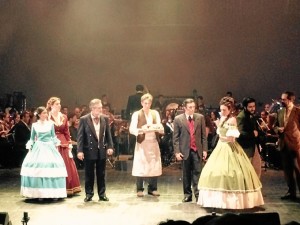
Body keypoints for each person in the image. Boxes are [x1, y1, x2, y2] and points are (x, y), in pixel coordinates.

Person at [197, 96, 264, 209]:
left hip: (229, 148)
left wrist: (221, 135)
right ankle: (218, 201)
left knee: (233, 173)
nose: (222, 111)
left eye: (224, 110)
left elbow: (232, 139)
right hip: (220, 148)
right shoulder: (223, 118)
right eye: (221, 109)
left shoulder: (232, 119)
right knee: (215, 173)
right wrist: (219, 126)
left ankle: (233, 202)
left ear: (230, 109)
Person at [20, 106, 67, 200]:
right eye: (44, 113)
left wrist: (56, 145)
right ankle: (39, 193)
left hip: (49, 147)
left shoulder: (50, 124)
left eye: (46, 113)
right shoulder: (35, 125)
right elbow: (32, 138)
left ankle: (53, 193)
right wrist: (30, 147)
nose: (46, 114)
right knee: (38, 168)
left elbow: (53, 137)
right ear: (39, 115)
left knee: (52, 167)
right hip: (39, 147)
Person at [77, 99, 114, 202]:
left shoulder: (104, 118)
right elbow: (80, 136)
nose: (101, 110)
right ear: (93, 108)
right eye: (99, 108)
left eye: (101, 108)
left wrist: (110, 146)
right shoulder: (84, 119)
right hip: (89, 150)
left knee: (101, 174)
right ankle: (89, 194)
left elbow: (108, 134)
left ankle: (102, 194)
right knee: (89, 174)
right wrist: (80, 151)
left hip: (101, 149)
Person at [173, 98, 208, 203]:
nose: (192, 109)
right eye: (190, 107)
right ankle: (187, 194)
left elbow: (203, 136)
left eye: (193, 107)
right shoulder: (178, 119)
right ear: (185, 108)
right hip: (185, 150)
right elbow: (176, 137)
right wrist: (177, 152)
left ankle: (198, 195)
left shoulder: (200, 118)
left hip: (197, 150)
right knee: (186, 174)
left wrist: (205, 150)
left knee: (197, 173)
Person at [129, 93, 164, 197]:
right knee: (141, 165)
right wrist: (141, 130)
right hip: (142, 143)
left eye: (149, 103)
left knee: (153, 165)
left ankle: (153, 188)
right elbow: (132, 129)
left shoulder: (155, 113)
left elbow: (159, 125)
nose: (147, 105)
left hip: (153, 142)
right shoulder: (137, 114)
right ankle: (139, 188)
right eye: (145, 103)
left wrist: (157, 128)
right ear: (141, 103)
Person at [47, 97, 81, 196]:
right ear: (52, 105)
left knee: (67, 164)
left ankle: (68, 188)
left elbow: (66, 131)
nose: (59, 105)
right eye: (57, 104)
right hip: (52, 142)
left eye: (59, 103)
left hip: (63, 142)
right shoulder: (48, 117)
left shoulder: (64, 117)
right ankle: (54, 188)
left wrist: (69, 143)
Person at [274, 91, 300, 201]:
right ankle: (291, 192)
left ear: (290, 99)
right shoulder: (280, 112)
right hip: (283, 144)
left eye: (283, 99)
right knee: (287, 170)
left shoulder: (298, 111)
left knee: (298, 170)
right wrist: (277, 130)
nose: (281, 101)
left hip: (296, 145)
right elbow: (275, 126)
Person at [236, 97, 262, 178]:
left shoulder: (252, 115)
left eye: (253, 106)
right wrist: (252, 134)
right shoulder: (241, 117)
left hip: (253, 145)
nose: (252, 108)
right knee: (246, 170)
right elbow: (239, 133)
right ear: (245, 107)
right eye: (250, 107)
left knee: (256, 169)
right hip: (245, 147)